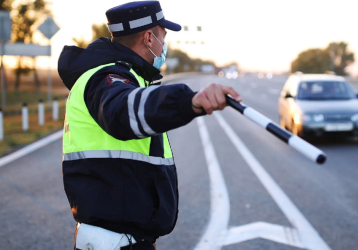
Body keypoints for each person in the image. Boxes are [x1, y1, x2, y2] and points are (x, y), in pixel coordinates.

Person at [57, 1, 241, 249]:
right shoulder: (106, 78)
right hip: (115, 242)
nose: (164, 45)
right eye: (163, 37)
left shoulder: (127, 77)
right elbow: (122, 110)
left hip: (125, 239)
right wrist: (189, 100)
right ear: (148, 38)